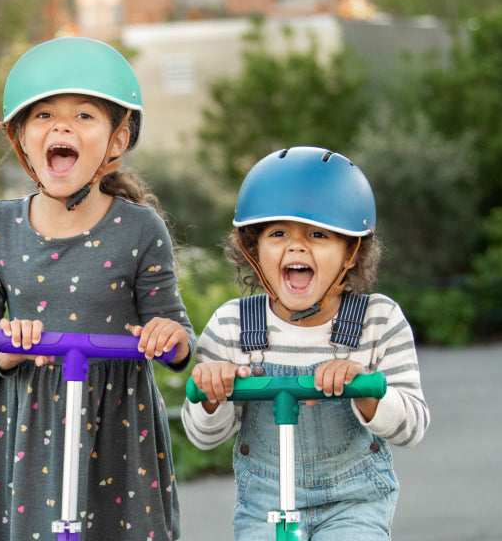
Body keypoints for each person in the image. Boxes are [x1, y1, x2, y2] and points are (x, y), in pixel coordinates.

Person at [0, 36, 195, 541]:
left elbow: (178, 338)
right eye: (43, 116)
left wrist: (166, 337)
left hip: (120, 424)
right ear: (20, 138)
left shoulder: (140, 229)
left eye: (84, 116)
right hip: (32, 428)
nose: (61, 126)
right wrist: (5, 348)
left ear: (117, 140)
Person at [181, 146, 429, 540]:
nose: (296, 247)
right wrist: (211, 394)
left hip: (353, 504)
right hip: (264, 505)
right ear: (252, 249)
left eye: (318, 234)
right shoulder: (232, 325)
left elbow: (413, 427)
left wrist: (365, 389)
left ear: (351, 252)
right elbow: (202, 437)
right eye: (278, 234)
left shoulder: (377, 320)